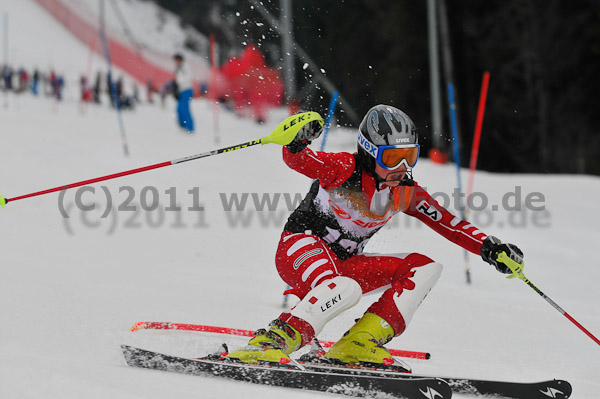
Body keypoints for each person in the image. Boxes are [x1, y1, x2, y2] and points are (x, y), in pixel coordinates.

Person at [226, 104, 524, 368]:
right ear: (369, 152)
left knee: (424, 267)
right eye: (393, 157)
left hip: (344, 266)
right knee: (343, 288)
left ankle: (358, 343)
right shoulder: (344, 168)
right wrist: (296, 142)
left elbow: (449, 223)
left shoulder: (405, 192)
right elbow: (301, 161)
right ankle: (271, 343)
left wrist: (488, 247)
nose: (402, 168)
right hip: (300, 247)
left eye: (410, 156)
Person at [173, 53, 195, 133]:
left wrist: (177, 83)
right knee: (179, 109)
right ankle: (183, 125)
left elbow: (189, 77)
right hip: (181, 90)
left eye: (177, 60)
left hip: (187, 89)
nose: (176, 61)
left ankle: (190, 128)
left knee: (185, 108)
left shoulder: (184, 67)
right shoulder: (178, 68)